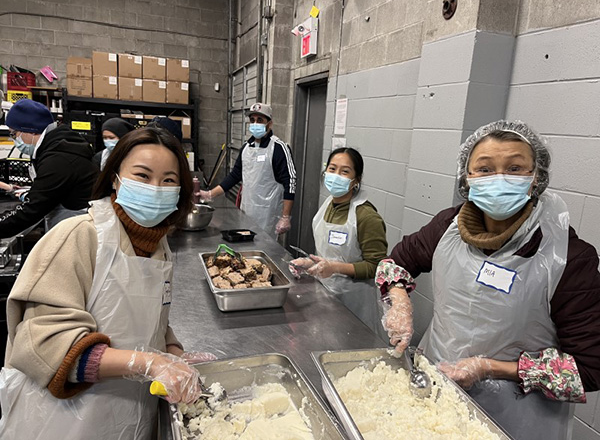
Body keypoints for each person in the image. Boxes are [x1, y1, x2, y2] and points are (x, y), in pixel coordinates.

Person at [377, 120, 600, 440]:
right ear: (466, 178)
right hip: (435, 399)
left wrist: (490, 368)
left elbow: (588, 369)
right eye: (484, 169)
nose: (499, 179)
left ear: (536, 178)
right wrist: (399, 302)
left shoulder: (568, 258)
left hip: (514, 420)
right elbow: (396, 263)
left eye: (514, 168)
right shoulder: (446, 228)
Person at [0, 128, 215, 439]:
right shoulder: (78, 236)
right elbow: (44, 345)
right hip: (62, 420)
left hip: (127, 415)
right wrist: (148, 363)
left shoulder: (159, 247)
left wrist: (171, 352)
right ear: (115, 178)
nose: (156, 188)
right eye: (143, 175)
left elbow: (148, 315)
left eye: (168, 180)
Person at [291, 148, 388, 339]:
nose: (336, 176)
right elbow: (330, 253)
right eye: (332, 169)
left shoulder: (366, 216)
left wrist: (335, 267)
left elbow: (378, 266)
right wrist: (310, 263)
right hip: (325, 295)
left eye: (345, 172)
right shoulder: (328, 205)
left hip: (354, 302)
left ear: (356, 180)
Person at [1, 99, 99, 235]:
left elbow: (32, 209)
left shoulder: (58, 159)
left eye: (14, 134)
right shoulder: (56, 146)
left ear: (30, 130)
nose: (14, 140)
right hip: (71, 227)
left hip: (76, 231)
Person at [198, 103, 296, 238]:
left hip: (268, 214)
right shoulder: (246, 148)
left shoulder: (279, 148)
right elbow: (235, 176)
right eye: (252, 120)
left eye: (260, 120)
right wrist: (210, 194)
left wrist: (285, 216)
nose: (255, 124)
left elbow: (290, 181)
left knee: (265, 248)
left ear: (270, 124)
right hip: (246, 211)